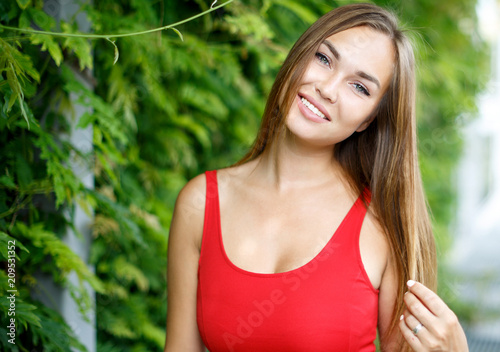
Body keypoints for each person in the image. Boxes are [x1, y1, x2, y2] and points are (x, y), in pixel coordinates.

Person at [164, 3, 469, 351]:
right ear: (298, 55)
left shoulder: (382, 223)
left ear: (369, 119)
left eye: (360, 87)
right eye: (324, 59)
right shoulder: (200, 203)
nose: (327, 88)